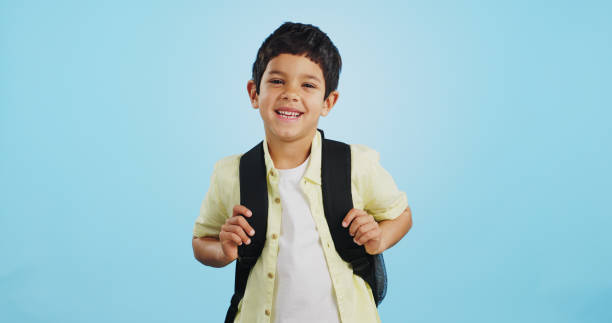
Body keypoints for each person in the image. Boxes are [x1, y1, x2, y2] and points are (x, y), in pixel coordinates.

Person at [192, 22, 413, 323]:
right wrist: (224, 250)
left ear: (328, 102)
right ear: (254, 93)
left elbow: (401, 215)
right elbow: (201, 242)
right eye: (277, 81)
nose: (291, 94)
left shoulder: (355, 164)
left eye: (308, 85)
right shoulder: (231, 174)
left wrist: (378, 239)